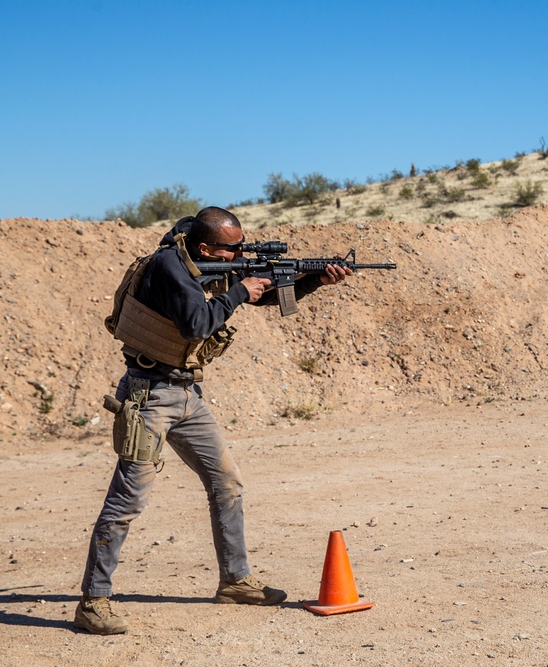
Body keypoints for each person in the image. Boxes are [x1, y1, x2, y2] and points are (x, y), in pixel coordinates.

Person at [75, 206, 351, 635]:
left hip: (186, 394)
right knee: (125, 503)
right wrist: (241, 290)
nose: (240, 255)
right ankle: (93, 601)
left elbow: (270, 296)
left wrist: (314, 279)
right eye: (233, 249)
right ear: (205, 247)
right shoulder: (170, 266)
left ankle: (235, 582)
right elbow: (197, 324)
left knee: (227, 484)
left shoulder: (198, 261)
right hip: (150, 398)